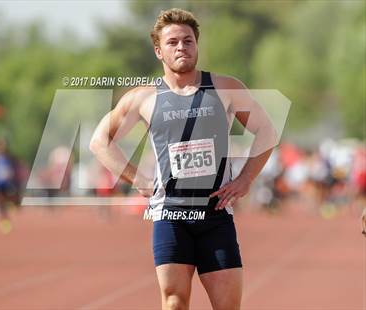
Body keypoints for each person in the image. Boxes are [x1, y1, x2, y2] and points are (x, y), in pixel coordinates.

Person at [89, 8, 277, 310]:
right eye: (173, 42)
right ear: (158, 50)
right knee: (174, 302)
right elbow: (99, 141)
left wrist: (246, 179)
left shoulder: (225, 88)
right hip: (170, 215)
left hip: (215, 213)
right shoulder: (143, 97)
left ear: (197, 45)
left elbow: (267, 130)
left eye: (188, 41)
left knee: (227, 306)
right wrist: (139, 180)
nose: (181, 48)